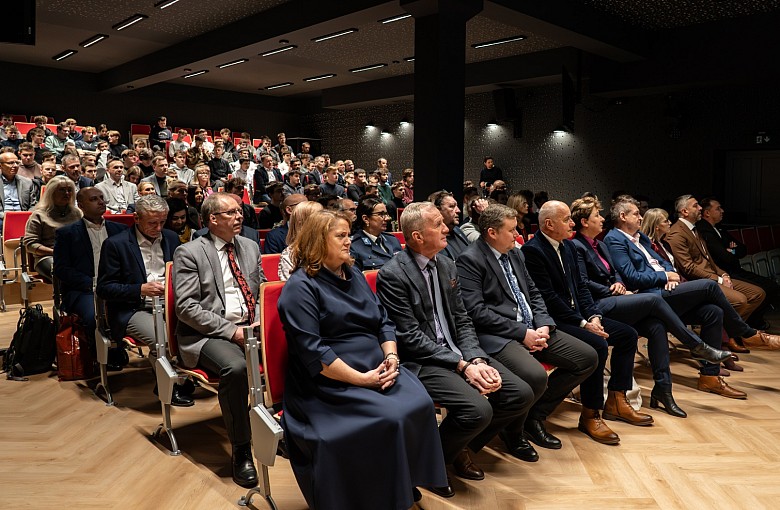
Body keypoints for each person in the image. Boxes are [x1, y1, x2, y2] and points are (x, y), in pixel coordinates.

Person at [278, 210, 446, 509]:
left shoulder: (352, 273)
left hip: (376, 365)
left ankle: (402, 480)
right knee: (389, 417)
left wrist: (392, 355)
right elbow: (314, 351)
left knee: (420, 404)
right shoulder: (300, 287)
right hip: (329, 381)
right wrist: (362, 380)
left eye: (349, 234)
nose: (349, 241)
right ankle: (380, 493)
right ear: (318, 241)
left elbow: (383, 321)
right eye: (340, 236)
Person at [377, 202, 527, 498]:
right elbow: (410, 337)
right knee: (478, 410)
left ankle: (458, 447)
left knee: (518, 394)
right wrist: (462, 365)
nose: (447, 228)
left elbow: (462, 318)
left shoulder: (447, 264)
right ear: (418, 236)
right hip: (424, 360)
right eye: (438, 224)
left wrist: (476, 358)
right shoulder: (393, 274)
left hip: (459, 353)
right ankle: (431, 465)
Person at [456, 204, 598, 456]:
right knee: (535, 376)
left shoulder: (515, 253)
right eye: (511, 230)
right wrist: (522, 333)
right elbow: (476, 311)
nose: (517, 235)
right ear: (492, 232)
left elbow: (533, 293)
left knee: (587, 358)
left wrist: (543, 323)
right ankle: (513, 433)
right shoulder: (470, 260)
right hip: (499, 335)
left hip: (534, 328)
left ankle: (534, 416)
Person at [570, 196, 733, 414]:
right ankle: (697, 345)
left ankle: (663, 391)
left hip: (619, 297)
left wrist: (618, 283)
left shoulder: (599, 244)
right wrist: (612, 288)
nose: (602, 219)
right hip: (598, 304)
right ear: (584, 222)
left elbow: (616, 272)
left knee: (657, 326)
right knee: (663, 298)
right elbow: (582, 283)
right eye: (597, 216)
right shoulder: (576, 246)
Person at [522, 201, 653, 443]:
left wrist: (594, 316)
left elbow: (581, 288)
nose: (572, 223)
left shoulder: (569, 247)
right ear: (549, 224)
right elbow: (548, 298)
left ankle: (616, 401)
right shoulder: (533, 251)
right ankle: (590, 414)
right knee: (598, 345)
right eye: (566, 219)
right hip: (554, 321)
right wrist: (584, 323)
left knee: (627, 335)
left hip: (579, 316)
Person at [603, 196, 780, 357]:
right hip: (651, 293)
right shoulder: (614, 239)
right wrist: (665, 276)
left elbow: (662, 261)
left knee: (713, 311)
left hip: (669, 285)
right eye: (636, 214)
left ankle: (710, 373)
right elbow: (632, 277)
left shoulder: (640, 236)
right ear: (623, 216)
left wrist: (671, 274)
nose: (641, 218)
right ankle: (746, 333)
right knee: (709, 286)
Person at [173, 192, 264, 488]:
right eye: (232, 212)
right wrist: (232, 331)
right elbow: (187, 308)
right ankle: (241, 450)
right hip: (209, 333)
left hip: (252, 326)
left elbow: (261, 289)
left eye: (240, 211)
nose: (240, 216)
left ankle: (284, 427)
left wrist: (260, 319)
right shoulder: (189, 252)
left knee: (299, 350)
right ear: (212, 219)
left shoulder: (249, 246)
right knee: (236, 368)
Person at [97, 194, 192, 406]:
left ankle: (182, 377)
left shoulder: (171, 238)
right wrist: (140, 289)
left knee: (198, 329)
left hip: (170, 304)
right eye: (152, 223)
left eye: (162, 222)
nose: (158, 228)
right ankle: (169, 386)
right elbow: (104, 288)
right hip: (133, 308)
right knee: (163, 339)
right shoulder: (116, 244)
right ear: (136, 218)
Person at [666, 194, 765, 324]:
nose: (700, 208)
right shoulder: (677, 233)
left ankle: (732, 331)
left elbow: (708, 259)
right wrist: (719, 279)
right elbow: (688, 268)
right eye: (695, 206)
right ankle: (730, 332)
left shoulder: (693, 229)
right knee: (740, 300)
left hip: (714, 275)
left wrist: (723, 274)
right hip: (700, 281)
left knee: (758, 293)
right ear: (685, 212)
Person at [697, 197, 779, 330]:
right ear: (707, 213)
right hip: (725, 273)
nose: (722, 211)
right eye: (718, 208)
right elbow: (724, 257)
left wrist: (731, 251)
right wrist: (728, 251)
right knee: (761, 290)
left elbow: (742, 249)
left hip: (736, 270)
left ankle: (752, 322)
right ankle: (746, 325)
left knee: (772, 286)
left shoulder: (720, 229)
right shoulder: (704, 230)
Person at [54, 187, 128, 331]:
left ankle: (119, 344)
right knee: (94, 319)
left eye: (101, 198)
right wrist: (92, 283)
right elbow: (61, 269)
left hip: (118, 288)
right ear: (81, 206)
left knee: (128, 316)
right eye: (94, 199)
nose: (101, 202)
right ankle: (96, 346)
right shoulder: (66, 234)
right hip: (85, 290)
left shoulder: (121, 230)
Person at [23, 175, 82, 280]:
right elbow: (30, 244)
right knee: (64, 272)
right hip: (47, 257)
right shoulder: (38, 215)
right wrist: (56, 252)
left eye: (69, 190)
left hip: (76, 255)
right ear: (52, 192)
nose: (67, 193)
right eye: (62, 190)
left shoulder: (77, 213)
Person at [350, 197, 402, 270]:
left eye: (386, 214)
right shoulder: (354, 246)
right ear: (366, 219)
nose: (387, 218)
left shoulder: (393, 240)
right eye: (381, 214)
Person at [278, 201, 323, 281]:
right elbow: (292, 285)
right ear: (302, 224)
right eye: (320, 220)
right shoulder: (290, 254)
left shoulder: (332, 248)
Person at [0, 151, 37, 228]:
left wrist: (26, 216)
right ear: (0, 165)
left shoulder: (27, 182)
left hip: (23, 216)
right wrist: (7, 217)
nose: (15, 166)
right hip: (3, 218)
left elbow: (33, 205)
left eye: (17, 163)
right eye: (10, 163)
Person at [430, 190, 470, 260]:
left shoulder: (458, 230)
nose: (458, 210)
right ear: (437, 210)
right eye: (451, 206)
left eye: (456, 206)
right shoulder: (432, 239)